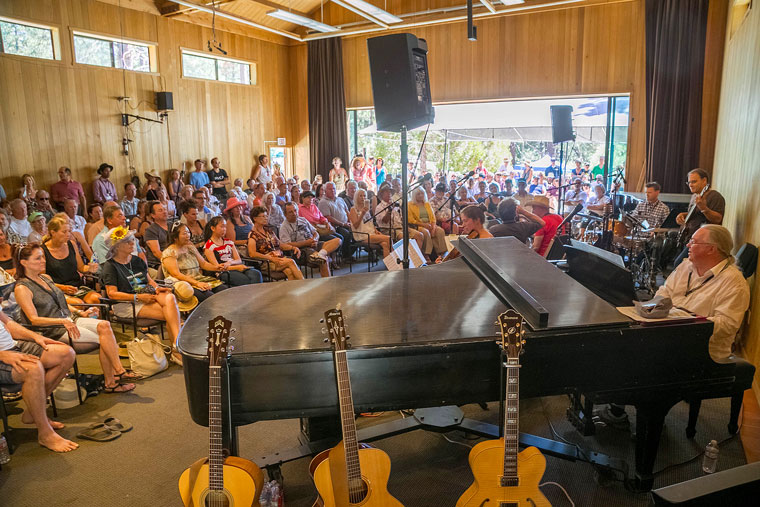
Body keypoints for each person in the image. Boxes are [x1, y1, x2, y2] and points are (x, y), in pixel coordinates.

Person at [14, 244, 139, 394]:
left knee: (105, 325)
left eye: (42, 256)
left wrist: (81, 313)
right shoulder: (22, 288)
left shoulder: (46, 278)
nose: (43, 261)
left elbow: (61, 301)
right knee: (104, 339)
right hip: (52, 329)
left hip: (69, 320)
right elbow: (33, 319)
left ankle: (117, 372)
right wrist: (62, 321)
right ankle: (112, 380)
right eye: (38, 258)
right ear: (24, 262)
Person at [655, 225, 750, 360]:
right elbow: (664, 291)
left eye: (693, 242)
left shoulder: (735, 283)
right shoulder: (686, 265)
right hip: (671, 339)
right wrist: (658, 311)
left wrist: (683, 322)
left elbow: (726, 325)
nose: (688, 245)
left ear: (711, 249)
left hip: (702, 353)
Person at [0, 309, 78, 452]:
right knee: (33, 369)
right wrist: (1, 355)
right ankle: (45, 433)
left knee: (66, 354)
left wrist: (35, 337)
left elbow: (8, 323)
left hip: (12, 346)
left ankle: (33, 412)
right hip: (2, 355)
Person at [102, 226, 181, 355]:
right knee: (172, 314)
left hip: (146, 295)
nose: (132, 243)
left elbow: (150, 281)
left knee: (169, 297)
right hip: (126, 304)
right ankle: (177, 349)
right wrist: (137, 298)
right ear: (116, 246)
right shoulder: (110, 266)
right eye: (127, 241)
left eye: (132, 239)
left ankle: (176, 345)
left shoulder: (137, 260)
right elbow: (112, 294)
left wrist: (158, 288)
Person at [41, 215, 101, 305]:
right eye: (64, 232)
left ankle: (98, 319)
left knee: (97, 299)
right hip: (57, 289)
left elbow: (81, 268)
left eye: (69, 231)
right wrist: (63, 288)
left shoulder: (72, 244)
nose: (68, 234)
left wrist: (90, 268)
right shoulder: (42, 250)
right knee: (78, 304)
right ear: (53, 232)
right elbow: (41, 278)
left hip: (76, 287)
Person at [162, 223, 227, 303]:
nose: (188, 235)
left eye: (188, 232)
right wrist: (197, 283)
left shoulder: (190, 248)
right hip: (185, 285)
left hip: (199, 279)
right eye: (184, 233)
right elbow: (176, 274)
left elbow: (203, 264)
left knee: (224, 290)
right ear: (175, 237)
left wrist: (216, 267)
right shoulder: (169, 252)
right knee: (210, 298)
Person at [673, 169, 725, 267]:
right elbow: (696, 214)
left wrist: (704, 208)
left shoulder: (714, 196)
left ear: (704, 181)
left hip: (703, 242)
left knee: (679, 264)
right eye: (689, 182)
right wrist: (683, 215)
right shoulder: (694, 196)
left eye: (694, 181)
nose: (690, 185)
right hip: (689, 239)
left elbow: (717, 219)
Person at [279, 202, 340, 278]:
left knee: (337, 240)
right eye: (290, 212)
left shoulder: (303, 220)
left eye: (295, 210)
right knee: (323, 260)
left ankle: (321, 253)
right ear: (285, 214)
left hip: (313, 243)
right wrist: (306, 243)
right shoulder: (284, 227)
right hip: (301, 250)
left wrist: (315, 239)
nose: (294, 213)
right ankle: (327, 282)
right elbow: (286, 245)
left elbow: (315, 232)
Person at [247, 206, 304, 281]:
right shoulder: (252, 235)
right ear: (255, 219)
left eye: (266, 216)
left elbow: (280, 245)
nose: (266, 218)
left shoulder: (269, 231)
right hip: (266, 262)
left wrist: (293, 248)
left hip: (278, 258)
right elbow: (252, 253)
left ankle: (291, 292)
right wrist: (270, 258)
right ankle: (305, 285)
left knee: (289, 272)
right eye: (263, 216)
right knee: (291, 261)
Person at [203, 216, 262, 286]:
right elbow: (217, 267)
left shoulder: (229, 242)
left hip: (235, 266)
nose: (224, 229)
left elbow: (238, 260)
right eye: (222, 227)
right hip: (224, 272)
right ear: (213, 228)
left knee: (256, 274)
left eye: (225, 227)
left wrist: (230, 263)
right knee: (244, 279)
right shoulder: (208, 246)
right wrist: (237, 267)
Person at [348, 189, 390, 258]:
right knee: (388, 238)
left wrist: (375, 230)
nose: (363, 198)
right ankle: (395, 261)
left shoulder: (366, 208)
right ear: (356, 197)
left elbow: (370, 223)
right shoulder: (353, 209)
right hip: (362, 235)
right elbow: (355, 226)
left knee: (385, 244)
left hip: (371, 232)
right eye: (360, 196)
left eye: (364, 196)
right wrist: (362, 214)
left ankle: (389, 265)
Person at [408, 187, 446, 261]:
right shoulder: (410, 204)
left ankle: (440, 253)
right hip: (418, 225)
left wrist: (434, 227)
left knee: (440, 231)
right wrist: (424, 225)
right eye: (418, 194)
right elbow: (410, 220)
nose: (421, 195)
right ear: (414, 195)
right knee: (426, 232)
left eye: (422, 193)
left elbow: (433, 217)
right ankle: (426, 254)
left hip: (429, 224)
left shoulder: (427, 204)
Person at [317, 182, 351, 257]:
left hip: (346, 223)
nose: (332, 190)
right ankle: (346, 256)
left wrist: (350, 221)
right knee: (346, 234)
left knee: (356, 233)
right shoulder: (323, 202)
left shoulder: (340, 199)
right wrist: (342, 224)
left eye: (334, 189)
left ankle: (348, 253)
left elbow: (347, 211)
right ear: (325, 191)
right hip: (335, 226)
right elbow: (328, 217)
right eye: (330, 189)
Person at [143, 201, 170, 267]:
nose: (164, 212)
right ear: (153, 215)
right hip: (158, 264)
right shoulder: (151, 230)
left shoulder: (173, 225)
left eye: (165, 209)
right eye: (160, 210)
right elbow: (156, 252)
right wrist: (171, 263)